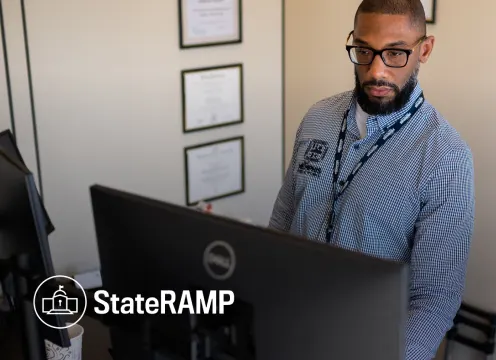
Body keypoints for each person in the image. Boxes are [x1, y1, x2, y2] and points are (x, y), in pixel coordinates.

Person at [268, 0, 475, 359]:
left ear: (424, 50)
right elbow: (284, 218)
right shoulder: (317, 118)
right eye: (364, 50)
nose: (376, 70)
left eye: (395, 53)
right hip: (288, 327)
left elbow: (434, 297)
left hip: (369, 346)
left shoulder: (446, 157)